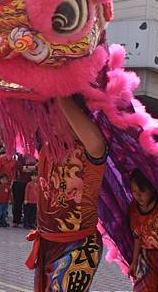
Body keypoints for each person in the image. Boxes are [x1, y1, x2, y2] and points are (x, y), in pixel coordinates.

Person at [27, 97, 108, 291]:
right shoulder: (46, 148)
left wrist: (59, 89)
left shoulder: (92, 149)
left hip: (79, 246)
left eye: (56, 114)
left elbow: (95, 140)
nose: (51, 120)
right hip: (47, 244)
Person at [0, 150, 17, 226]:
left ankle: (3, 220)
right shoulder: (1, 158)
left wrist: (11, 183)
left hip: (7, 182)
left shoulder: (14, 161)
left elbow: (14, 173)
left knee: (5, 201)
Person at [13, 152, 38, 228]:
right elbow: (21, 168)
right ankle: (16, 220)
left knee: (32, 204)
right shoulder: (21, 156)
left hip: (33, 182)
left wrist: (27, 167)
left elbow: (38, 167)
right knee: (18, 202)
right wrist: (33, 167)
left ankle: (30, 221)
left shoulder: (36, 155)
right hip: (21, 182)